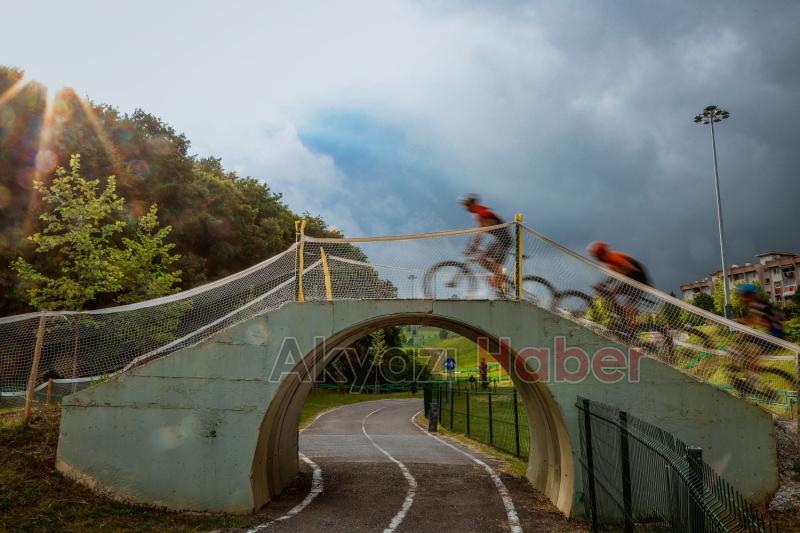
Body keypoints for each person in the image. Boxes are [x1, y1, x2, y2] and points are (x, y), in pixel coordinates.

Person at [459, 194, 512, 294]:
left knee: (495, 264)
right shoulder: (479, 213)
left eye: (466, 205)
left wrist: (474, 245)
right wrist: (473, 245)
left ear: (471, 204)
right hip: (500, 240)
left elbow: (482, 230)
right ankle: (500, 280)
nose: (465, 208)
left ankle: (501, 281)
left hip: (504, 241)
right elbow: (480, 231)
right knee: (481, 259)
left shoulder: (481, 212)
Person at [587, 241, 651, 323]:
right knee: (610, 294)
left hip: (639, 279)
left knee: (627, 305)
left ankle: (633, 326)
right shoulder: (608, 261)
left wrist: (614, 284)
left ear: (601, 255)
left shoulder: (612, 257)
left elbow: (627, 268)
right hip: (632, 279)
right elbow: (613, 277)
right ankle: (623, 318)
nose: (597, 259)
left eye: (597, 257)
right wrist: (602, 283)